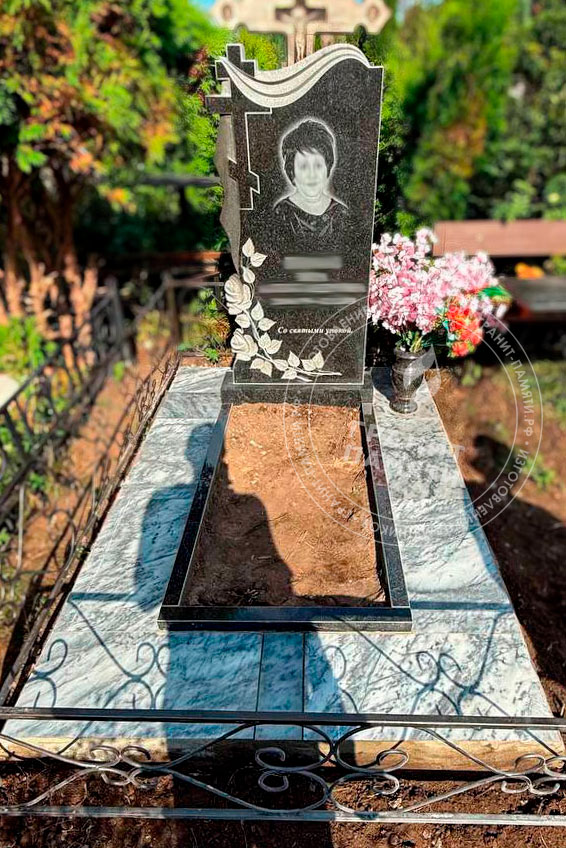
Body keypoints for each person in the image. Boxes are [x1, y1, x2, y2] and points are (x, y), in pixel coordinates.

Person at [274, 119, 349, 249]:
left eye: (318, 165)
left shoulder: (341, 214)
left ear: (328, 167)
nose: (312, 175)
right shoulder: (281, 214)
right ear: (292, 170)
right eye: (303, 166)